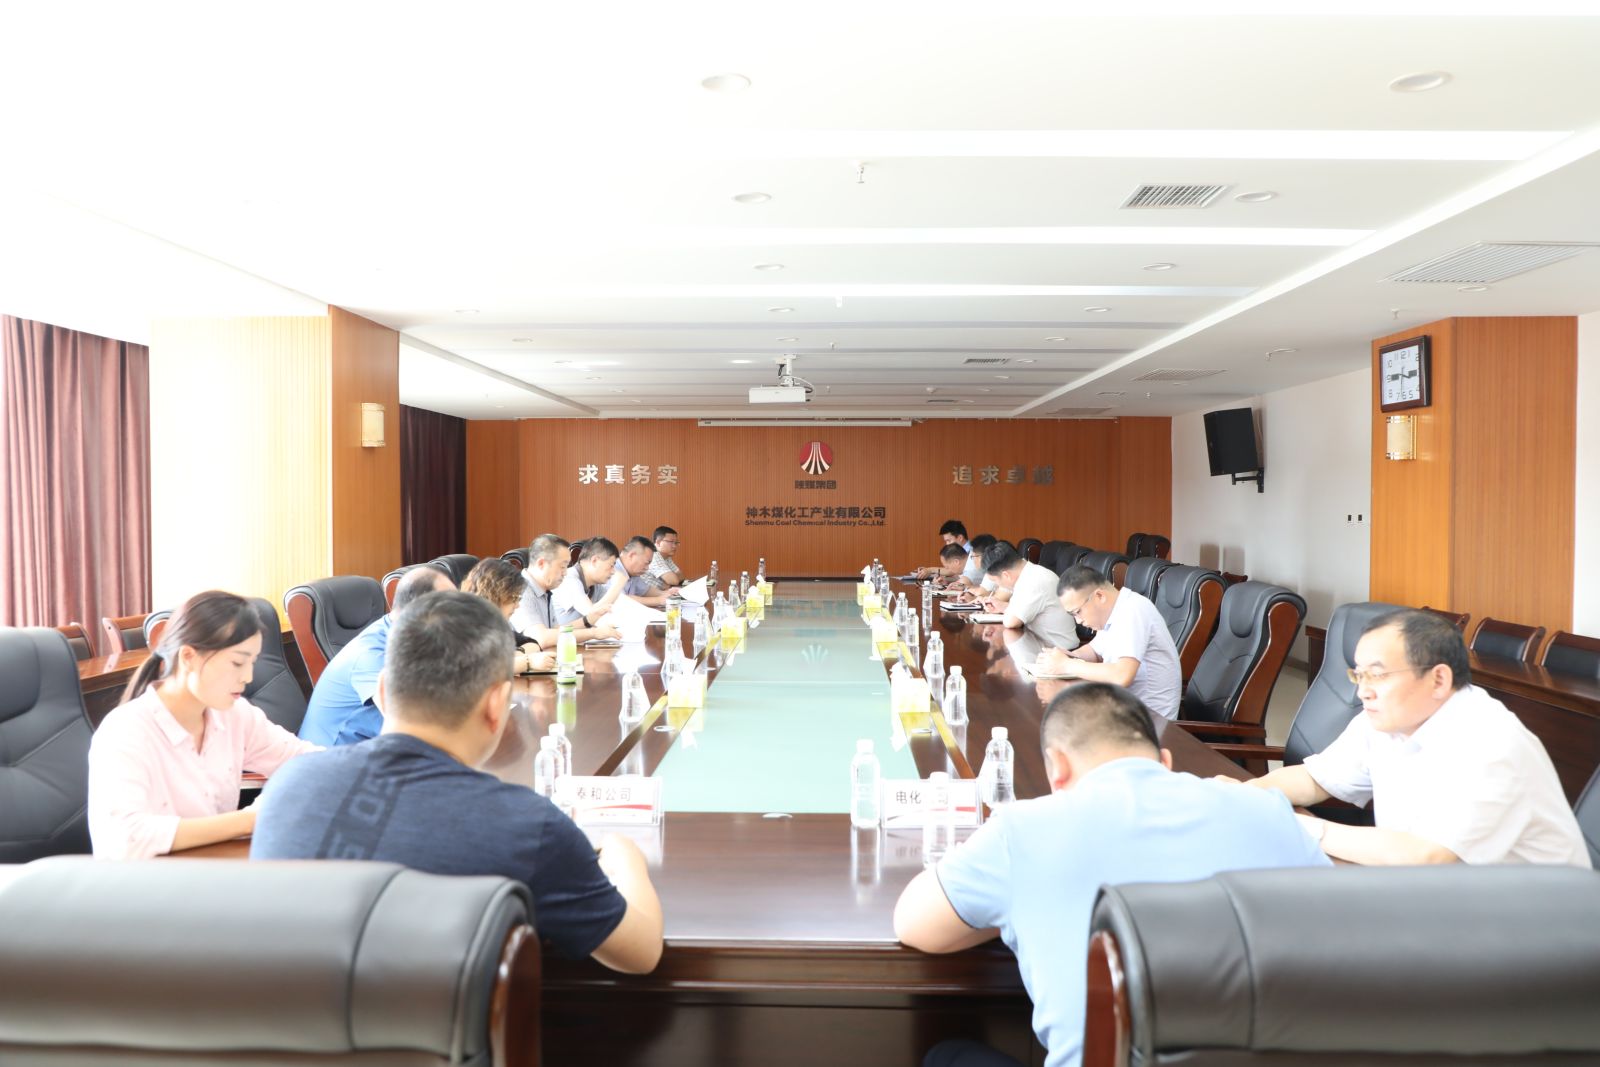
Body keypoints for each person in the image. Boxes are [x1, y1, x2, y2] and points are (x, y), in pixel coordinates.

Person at [895, 683, 1329, 1067]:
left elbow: (917, 927)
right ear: (1165, 761)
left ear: (1056, 767)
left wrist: (1021, 904)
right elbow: (1336, 930)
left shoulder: (1023, 829)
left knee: (946, 1054)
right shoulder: (1269, 810)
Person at [252, 591, 665, 974]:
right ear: (497, 704)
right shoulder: (526, 825)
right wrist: (624, 853)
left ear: (383, 690)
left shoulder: (289, 788)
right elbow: (642, 954)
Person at [1235, 609, 1590, 868]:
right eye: (1358, 675)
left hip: (1535, 924)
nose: (1363, 691)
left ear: (1439, 680)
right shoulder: (1385, 719)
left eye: (1378, 675)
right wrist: (1241, 797)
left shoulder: (1492, 742)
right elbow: (1316, 779)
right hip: (1442, 897)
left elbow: (1427, 855)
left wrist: (1299, 827)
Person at [87, 590, 319, 859]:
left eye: (252, 663)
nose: (247, 677)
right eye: (237, 663)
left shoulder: (234, 714)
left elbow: (307, 760)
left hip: (213, 869)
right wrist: (250, 820)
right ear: (188, 657)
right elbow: (127, 837)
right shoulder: (125, 730)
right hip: (147, 880)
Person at [298, 565, 453, 746]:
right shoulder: (370, 655)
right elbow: (412, 724)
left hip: (373, 751)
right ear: (422, 610)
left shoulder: (412, 638)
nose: (459, 615)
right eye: (451, 607)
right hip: (330, 758)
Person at [1036, 565, 1182, 720]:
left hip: (1148, 720)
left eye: (1077, 612)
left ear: (1099, 596)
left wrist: (1066, 665)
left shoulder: (1133, 611)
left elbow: (1122, 676)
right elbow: (1094, 652)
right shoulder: (1114, 612)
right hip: (1122, 709)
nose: (1078, 621)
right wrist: (1067, 656)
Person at [510, 533, 620, 647]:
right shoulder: (520, 590)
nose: (565, 573)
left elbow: (555, 631)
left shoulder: (545, 591)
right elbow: (541, 638)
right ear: (541, 564)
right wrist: (593, 633)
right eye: (562, 567)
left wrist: (587, 620)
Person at [978, 541, 1078, 651]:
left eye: (995, 581)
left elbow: (1010, 622)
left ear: (1006, 575)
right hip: (1044, 646)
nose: (998, 585)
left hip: (1062, 652)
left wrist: (1007, 609)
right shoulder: (1030, 573)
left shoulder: (1032, 581)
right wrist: (1003, 606)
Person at [462, 557, 557, 673]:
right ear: (494, 594)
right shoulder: (464, 626)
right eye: (513, 598)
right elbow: (482, 670)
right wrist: (528, 662)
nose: (517, 605)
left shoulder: (494, 624)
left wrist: (517, 655)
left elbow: (532, 643)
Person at [553, 536, 628, 627]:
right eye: (611, 565)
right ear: (594, 561)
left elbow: (617, 607)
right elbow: (591, 614)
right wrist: (617, 585)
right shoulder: (568, 579)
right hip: (561, 635)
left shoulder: (595, 586)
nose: (613, 571)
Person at [617, 535, 670, 608]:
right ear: (632, 555)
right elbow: (621, 599)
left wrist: (666, 594)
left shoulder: (633, 573)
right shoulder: (611, 569)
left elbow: (645, 590)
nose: (647, 568)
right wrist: (659, 600)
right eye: (646, 563)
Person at [640, 525, 684, 590]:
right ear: (658, 542)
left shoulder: (666, 556)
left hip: (659, 592)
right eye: (671, 542)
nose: (674, 546)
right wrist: (670, 581)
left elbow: (681, 576)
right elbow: (674, 581)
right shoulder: (653, 555)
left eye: (676, 542)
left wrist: (669, 582)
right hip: (645, 594)